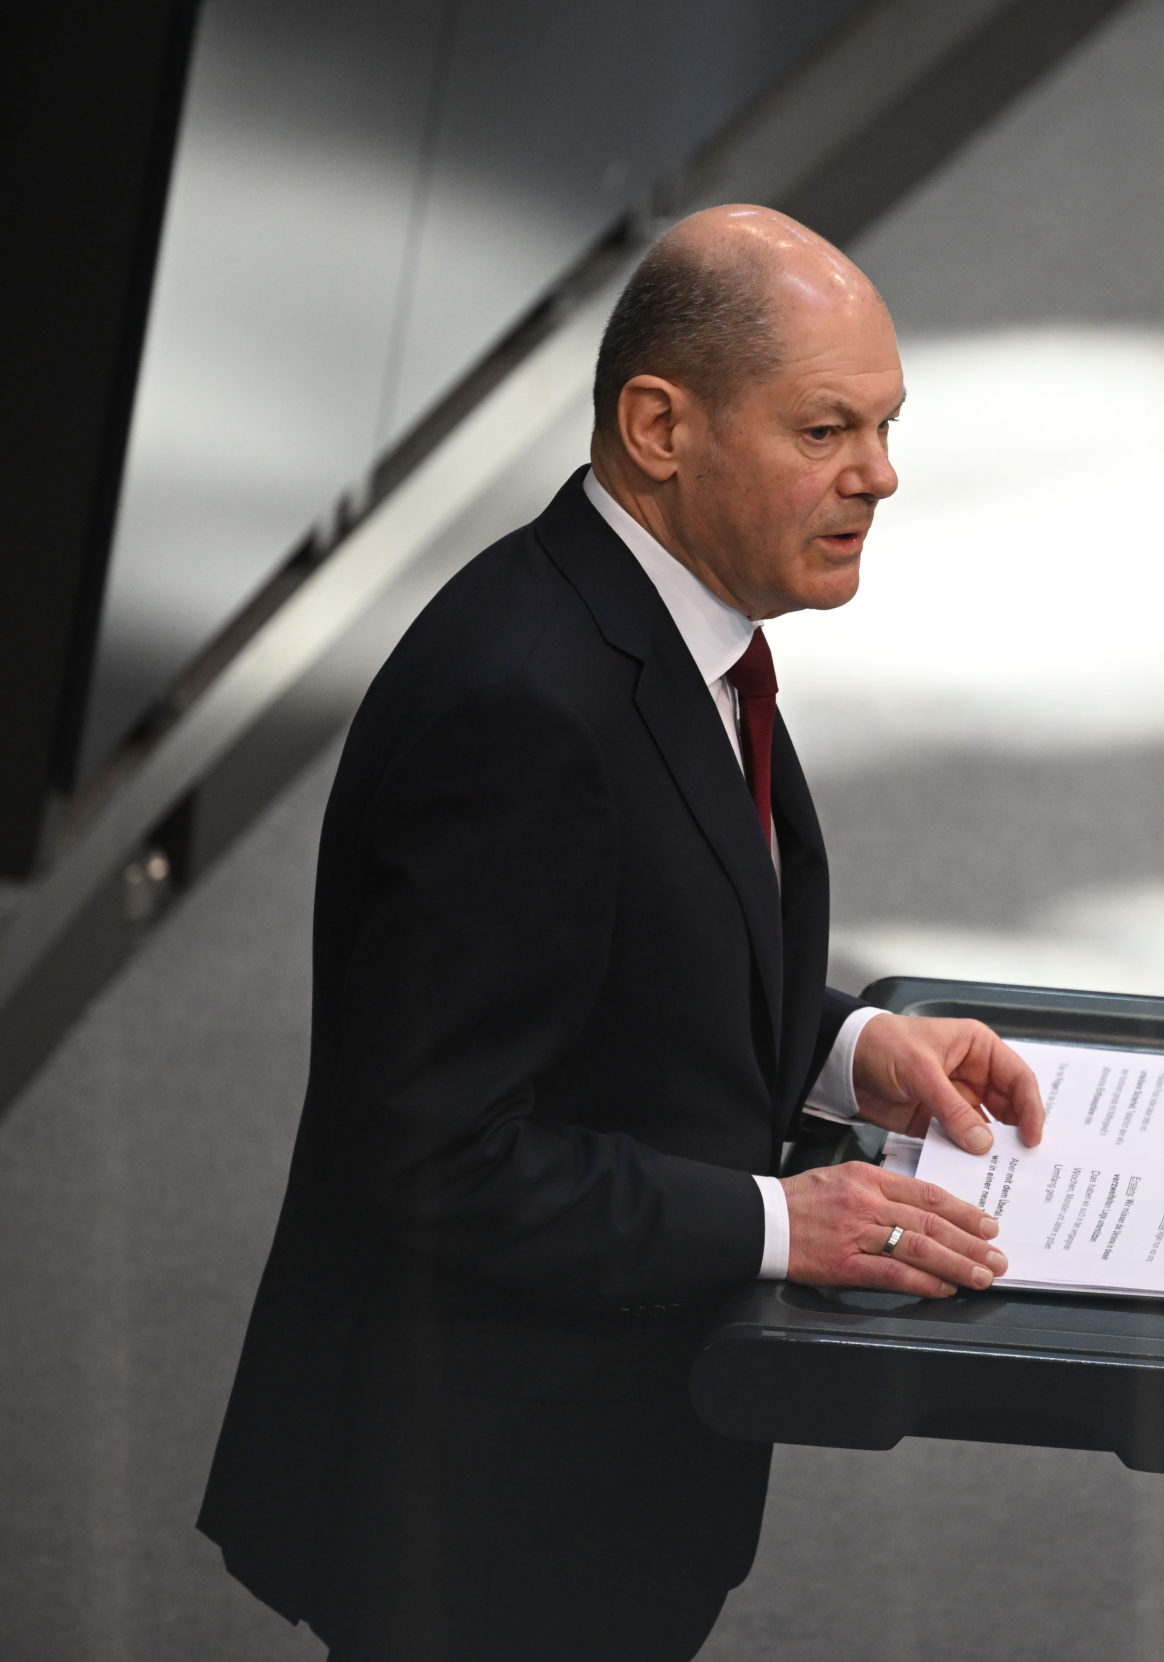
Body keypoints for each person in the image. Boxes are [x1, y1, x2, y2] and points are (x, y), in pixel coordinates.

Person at [198, 205, 1045, 1662]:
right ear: (660, 425)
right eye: (828, 428)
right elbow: (433, 1152)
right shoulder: (519, 708)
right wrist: (789, 1219)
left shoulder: (659, 624)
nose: (880, 477)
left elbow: (627, 947)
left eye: (889, 426)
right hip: (480, 1512)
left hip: (599, 1475)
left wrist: (848, 1049)